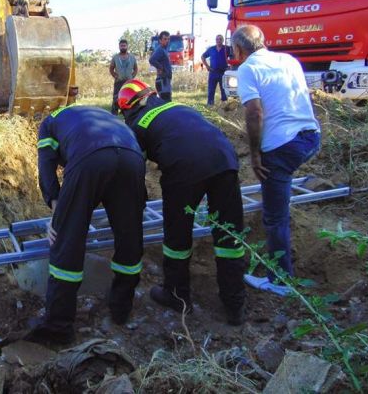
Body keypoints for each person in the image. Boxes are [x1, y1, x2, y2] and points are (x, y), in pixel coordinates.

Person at [117, 79, 247, 325]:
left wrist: (134, 202)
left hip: (184, 168)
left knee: (177, 236)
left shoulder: (137, 123)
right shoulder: (179, 107)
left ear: (130, 107)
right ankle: (235, 304)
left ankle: (177, 296)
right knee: (229, 235)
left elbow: (135, 171)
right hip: (225, 160)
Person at [26, 105, 147, 345]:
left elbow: (47, 165)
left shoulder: (48, 124)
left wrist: (57, 211)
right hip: (132, 159)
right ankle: (121, 309)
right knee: (129, 236)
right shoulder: (101, 116)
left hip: (90, 158)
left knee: (67, 241)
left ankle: (58, 327)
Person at [231, 25, 321, 296]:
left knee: (274, 217)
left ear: (238, 49)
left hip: (282, 147)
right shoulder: (288, 59)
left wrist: (255, 153)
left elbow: (254, 112)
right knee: (279, 197)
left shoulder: (247, 69)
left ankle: (280, 281)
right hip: (309, 137)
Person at [109, 39, 139, 114]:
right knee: (116, 99)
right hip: (118, 81)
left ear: (127, 46)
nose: (123, 47)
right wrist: (114, 75)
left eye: (124, 46)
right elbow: (111, 68)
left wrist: (132, 76)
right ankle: (113, 115)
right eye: (121, 46)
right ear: (119, 47)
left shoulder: (132, 57)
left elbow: (135, 68)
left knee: (129, 98)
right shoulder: (115, 57)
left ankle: (129, 114)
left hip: (129, 82)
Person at [201, 34, 232, 105]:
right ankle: (210, 104)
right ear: (215, 40)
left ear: (223, 40)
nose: (218, 40)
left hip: (223, 73)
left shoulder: (227, 48)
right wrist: (207, 66)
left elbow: (233, 57)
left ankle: (224, 106)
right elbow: (203, 56)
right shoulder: (211, 49)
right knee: (211, 90)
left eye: (220, 39)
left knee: (224, 90)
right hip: (213, 72)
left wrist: (230, 66)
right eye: (217, 39)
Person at [149, 31, 172, 101]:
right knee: (166, 102)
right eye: (165, 39)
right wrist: (160, 67)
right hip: (163, 80)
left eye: (168, 39)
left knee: (167, 101)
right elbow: (151, 60)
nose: (167, 41)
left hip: (166, 80)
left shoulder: (165, 50)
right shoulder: (160, 50)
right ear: (160, 40)